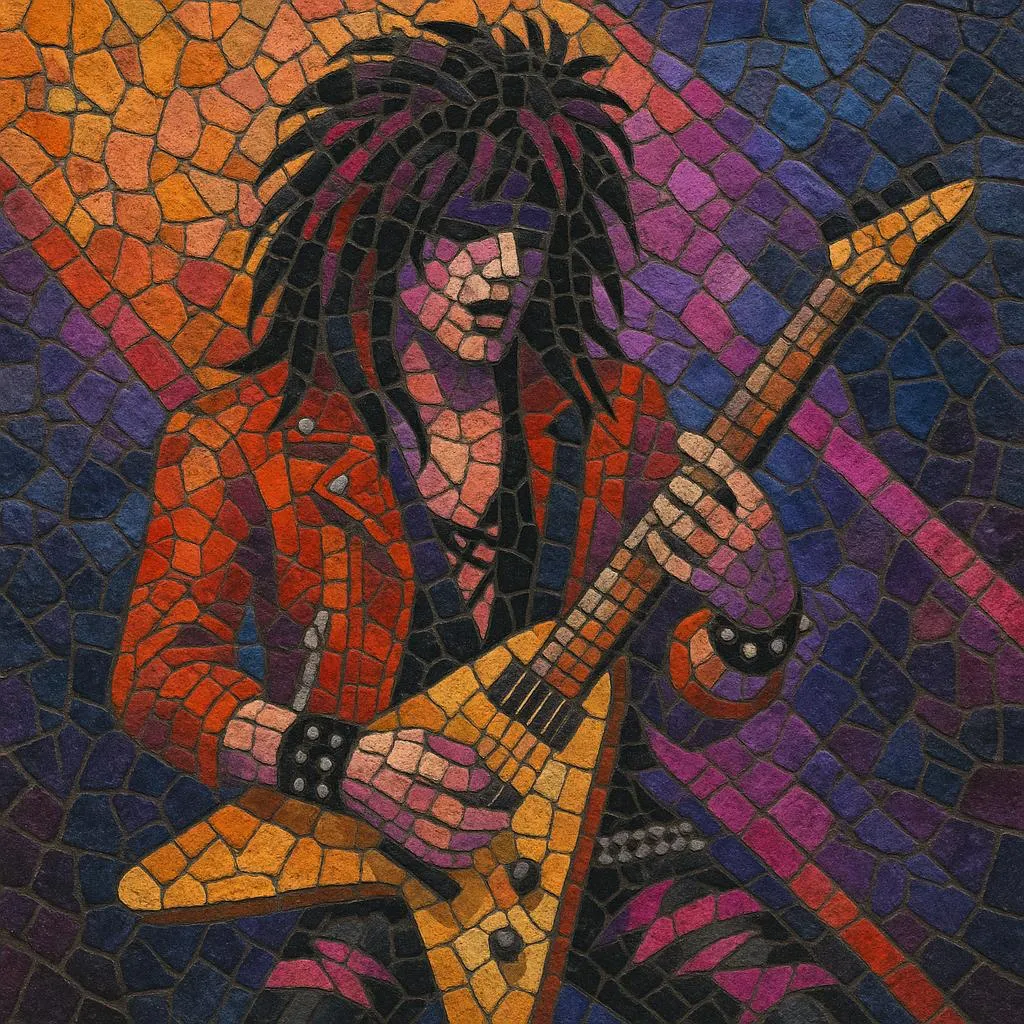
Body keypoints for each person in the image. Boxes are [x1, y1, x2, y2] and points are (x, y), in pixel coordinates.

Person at [112, 17, 799, 896]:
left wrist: (758, 622)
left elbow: (679, 707)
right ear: (379, 231)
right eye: (467, 229)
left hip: (613, 845)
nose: (505, 267)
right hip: (374, 868)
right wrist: (342, 765)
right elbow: (158, 679)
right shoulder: (237, 441)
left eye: (532, 232)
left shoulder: (617, 417)